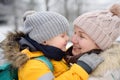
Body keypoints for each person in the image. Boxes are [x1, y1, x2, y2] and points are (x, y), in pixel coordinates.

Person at [1, 11, 103, 80]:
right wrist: (81, 69)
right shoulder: (33, 65)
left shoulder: (53, 55)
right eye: (62, 35)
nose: (68, 38)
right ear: (44, 40)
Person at [64, 4, 120, 80]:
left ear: (100, 44)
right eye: (74, 33)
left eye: (81, 36)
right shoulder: (64, 57)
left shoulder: (103, 76)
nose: (73, 39)